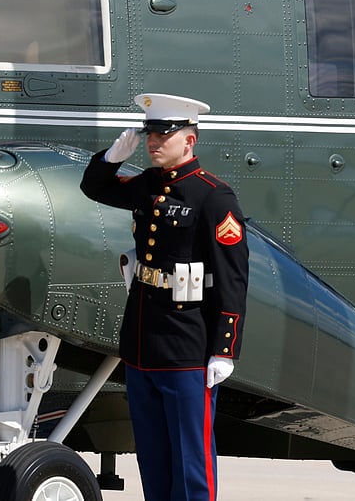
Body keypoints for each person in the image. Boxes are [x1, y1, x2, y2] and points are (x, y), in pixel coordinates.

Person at [80, 93, 249, 501]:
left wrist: (224, 349)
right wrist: (111, 158)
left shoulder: (213, 196)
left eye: (163, 135)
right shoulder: (148, 185)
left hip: (188, 346)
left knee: (191, 463)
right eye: (149, 134)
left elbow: (232, 276)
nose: (154, 142)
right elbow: (95, 188)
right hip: (143, 343)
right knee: (153, 459)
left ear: (189, 141)